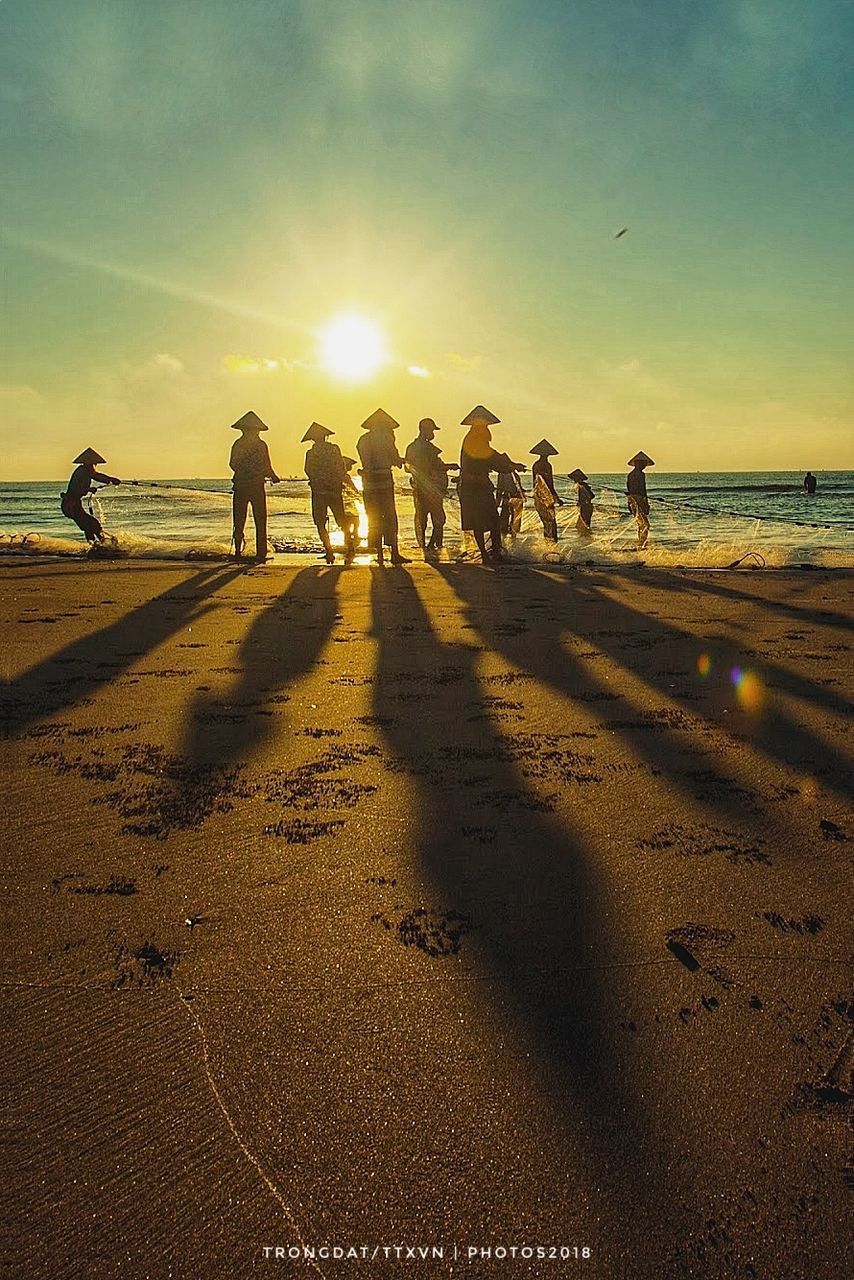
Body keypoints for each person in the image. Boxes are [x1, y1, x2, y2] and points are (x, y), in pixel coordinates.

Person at [458, 406, 526, 564]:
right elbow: (491, 458)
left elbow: (492, 457)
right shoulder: (474, 439)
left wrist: (511, 465)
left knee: (490, 520)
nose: (487, 429)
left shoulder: (475, 438)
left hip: (479, 484)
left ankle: (494, 552)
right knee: (481, 521)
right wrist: (511, 466)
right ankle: (487, 554)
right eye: (485, 426)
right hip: (473, 485)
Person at [356, 408, 411, 566]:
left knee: (373, 516)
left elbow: (366, 460)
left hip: (368, 482)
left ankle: (379, 554)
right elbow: (393, 458)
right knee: (389, 516)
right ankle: (394, 553)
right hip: (384, 481)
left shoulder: (362, 440)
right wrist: (402, 461)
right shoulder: (386, 438)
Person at [403, 417, 459, 559]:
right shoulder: (426, 448)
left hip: (419, 488)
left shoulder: (411, 447)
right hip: (431, 489)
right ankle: (436, 547)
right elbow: (435, 465)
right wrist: (450, 466)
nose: (433, 433)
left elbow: (407, 468)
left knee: (422, 518)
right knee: (438, 519)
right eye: (432, 430)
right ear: (424, 430)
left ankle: (426, 548)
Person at [229, 410, 280, 561]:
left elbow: (232, 464)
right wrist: (273, 476)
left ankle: (238, 552)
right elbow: (267, 465)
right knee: (260, 519)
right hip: (257, 487)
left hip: (240, 486)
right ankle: (261, 553)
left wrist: (245, 472)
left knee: (239, 520)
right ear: (255, 430)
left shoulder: (238, 444)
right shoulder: (261, 445)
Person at [303, 422, 355, 564]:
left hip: (318, 491)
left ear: (313, 439)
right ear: (325, 436)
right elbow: (341, 468)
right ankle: (349, 546)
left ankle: (329, 550)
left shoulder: (311, 453)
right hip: (334, 490)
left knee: (320, 522)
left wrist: (317, 478)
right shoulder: (334, 449)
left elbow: (308, 470)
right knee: (341, 519)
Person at [60, 448, 122, 544]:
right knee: (91, 524)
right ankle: (100, 544)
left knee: (89, 525)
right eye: (94, 464)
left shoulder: (83, 471)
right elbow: (76, 490)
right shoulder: (83, 471)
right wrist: (88, 489)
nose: (95, 466)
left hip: (72, 503)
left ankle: (96, 544)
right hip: (70, 504)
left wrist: (111, 480)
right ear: (90, 464)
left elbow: (98, 476)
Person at [530, 439, 564, 541]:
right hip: (546, 497)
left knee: (546, 522)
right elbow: (549, 483)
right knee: (551, 522)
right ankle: (552, 545)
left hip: (539, 496)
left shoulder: (535, 465)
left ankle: (548, 544)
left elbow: (536, 484)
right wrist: (556, 498)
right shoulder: (547, 465)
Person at [626, 451, 654, 549]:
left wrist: (629, 502)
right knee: (645, 524)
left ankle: (641, 543)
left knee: (641, 524)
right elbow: (642, 489)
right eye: (643, 464)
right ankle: (642, 545)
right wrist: (645, 503)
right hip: (639, 500)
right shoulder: (641, 474)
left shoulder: (630, 475)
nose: (644, 466)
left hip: (632, 500)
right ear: (638, 463)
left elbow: (629, 489)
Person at [340, 456, 363, 556]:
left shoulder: (340, 476)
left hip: (344, 503)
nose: (350, 467)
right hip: (348, 504)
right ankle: (352, 540)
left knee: (347, 524)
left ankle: (349, 541)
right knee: (355, 521)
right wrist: (359, 497)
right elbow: (353, 489)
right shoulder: (345, 477)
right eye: (349, 465)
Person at [496, 465, 525, 537]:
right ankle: (511, 536)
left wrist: (497, 502)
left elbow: (500, 488)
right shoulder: (513, 475)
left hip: (509, 498)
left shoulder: (506, 474)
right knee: (513, 520)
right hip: (512, 498)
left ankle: (505, 537)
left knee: (506, 518)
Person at [569, 467, 595, 535]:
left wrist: (583, 501)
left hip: (586, 507)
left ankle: (586, 536)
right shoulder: (582, 485)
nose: (573, 480)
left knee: (585, 523)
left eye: (574, 478)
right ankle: (586, 536)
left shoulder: (582, 486)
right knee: (585, 523)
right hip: (586, 506)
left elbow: (591, 496)